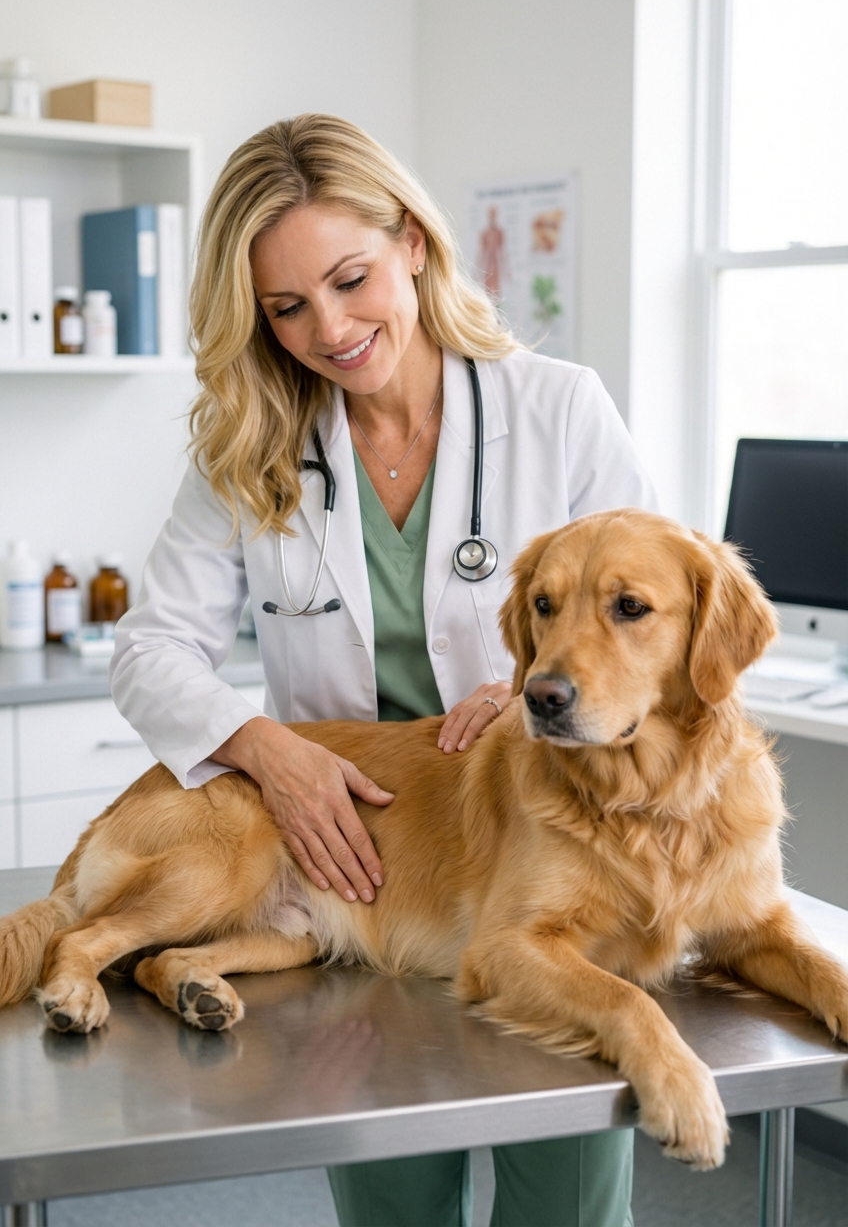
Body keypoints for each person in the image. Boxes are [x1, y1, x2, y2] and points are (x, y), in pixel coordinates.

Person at [111, 114, 656, 1227]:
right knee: (394, 1205)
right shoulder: (247, 447)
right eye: (287, 307)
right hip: (356, 882)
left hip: (541, 870)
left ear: (411, 240)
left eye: (350, 278)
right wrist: (272, 752)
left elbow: (638, 624)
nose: (331, 328)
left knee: (568, 1202)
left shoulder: (556, 410)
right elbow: (150, 649)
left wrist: (533, 685)